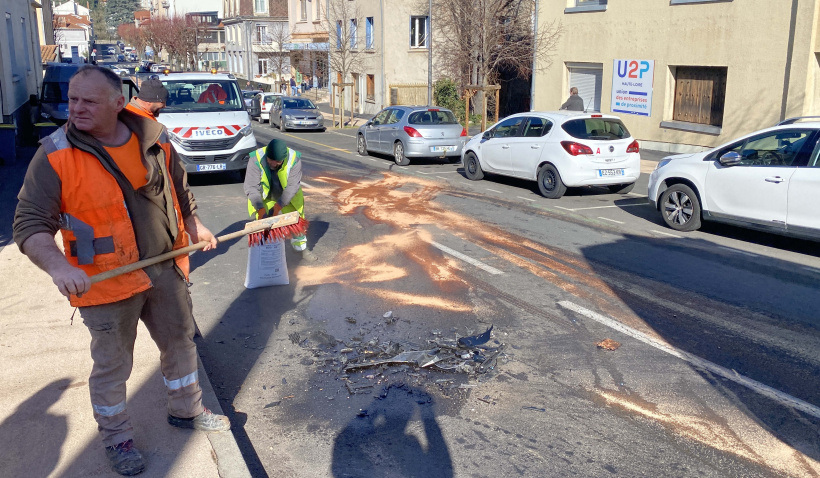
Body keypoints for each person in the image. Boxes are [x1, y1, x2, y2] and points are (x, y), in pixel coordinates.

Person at [12, 65, 230, 476]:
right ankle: (117, 438)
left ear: (118, 102)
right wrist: (58, 266)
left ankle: (186, 410)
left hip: (163, 267)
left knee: (180, 342)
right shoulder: (55, 153)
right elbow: (28, 224)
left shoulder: (155, 138)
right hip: (106, 282)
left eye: (88, 101)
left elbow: (179, 188)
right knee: (113, 366)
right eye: (73, 99)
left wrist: (195, 223)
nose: (76, 108)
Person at [243, 138, 312, 258]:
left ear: (283, 159)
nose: (273, 164)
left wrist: (278, 206)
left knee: (297, 222)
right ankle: (265, 252)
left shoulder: (294, 159)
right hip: (266, 197)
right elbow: (251, 187)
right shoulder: (255, 159)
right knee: (263, 224)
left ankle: (301, 249)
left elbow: (292, 187)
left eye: (278, 161)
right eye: (270, 160)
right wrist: (260, 208)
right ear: (266, 155)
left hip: (287, 195)